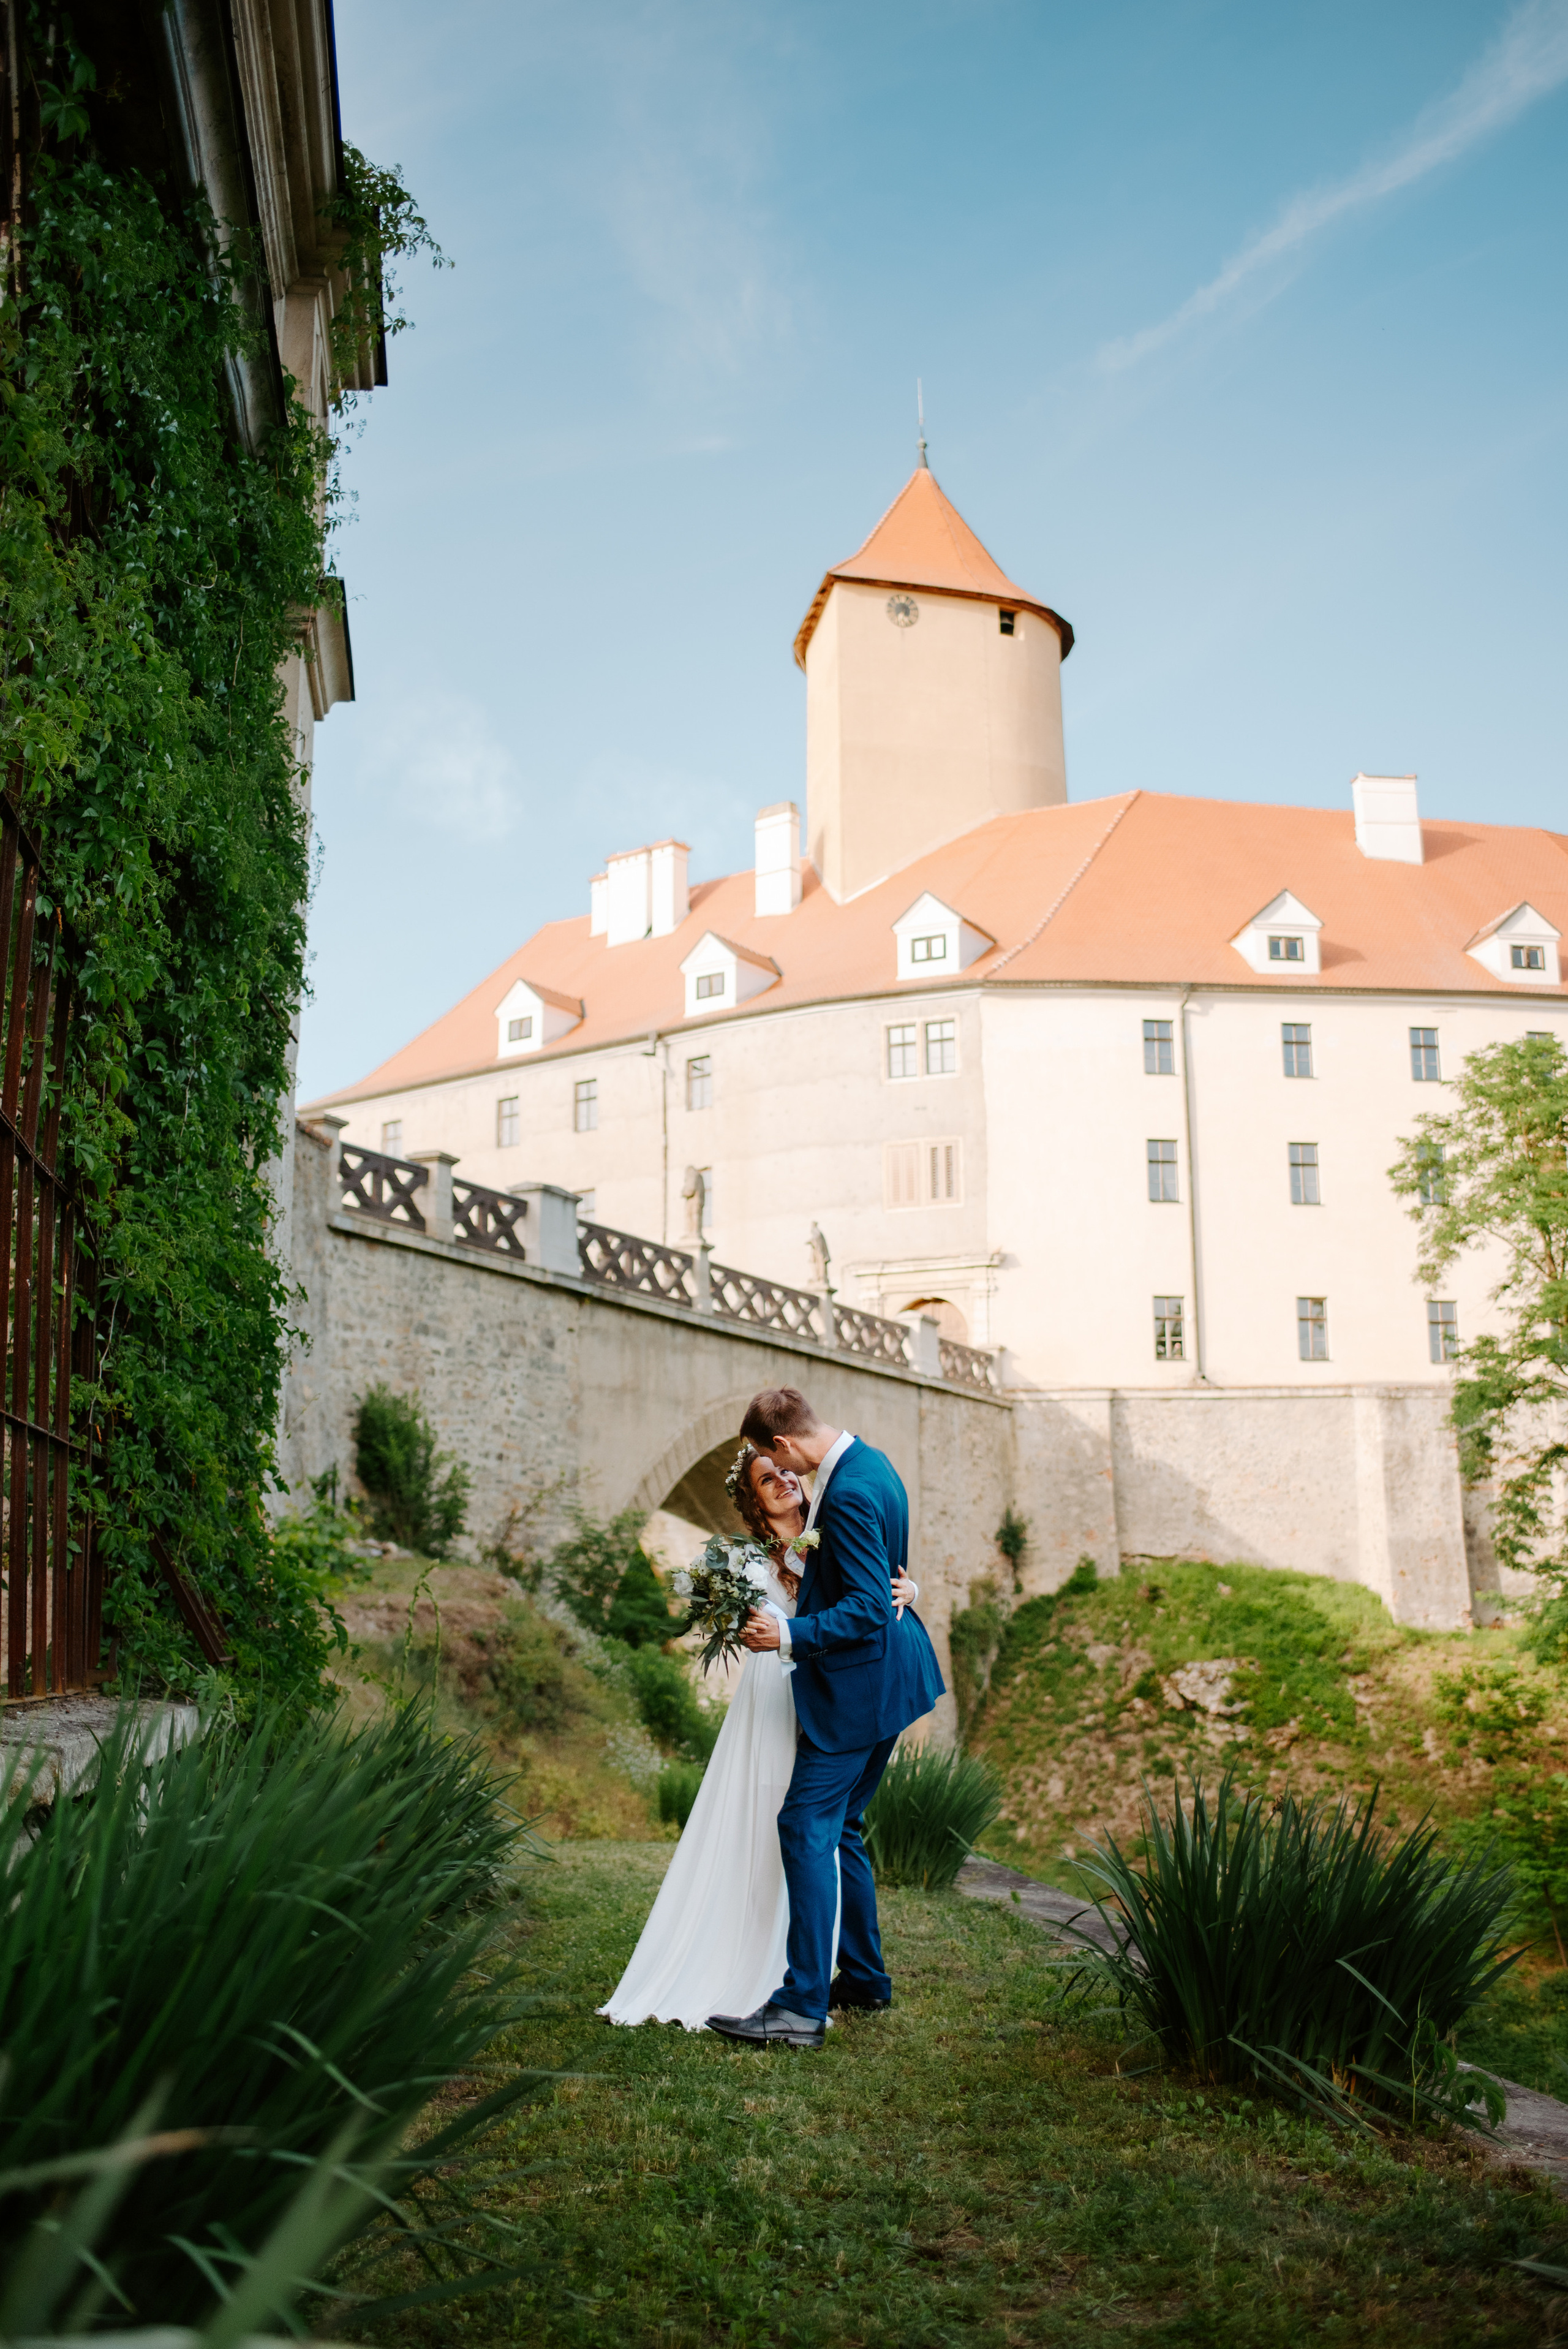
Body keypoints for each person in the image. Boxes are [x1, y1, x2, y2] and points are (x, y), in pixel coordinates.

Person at [599, 1445, 919, 2030]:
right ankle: (772, 1963)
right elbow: (761, 1627)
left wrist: (910, 1591)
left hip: (841, 1696)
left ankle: (854, 1976)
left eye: (786, 1472)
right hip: (777, 1698)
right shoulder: (743, 1563)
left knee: (834, 1829)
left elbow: (871, 1594)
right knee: (792, 1823)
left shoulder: (834, 1523)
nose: (782, 1481)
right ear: (752, 1497)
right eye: (767, 1479)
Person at [707, 1388, 946, 2052]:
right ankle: (865, 1979)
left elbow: (869, 1604)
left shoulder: (844, 1494)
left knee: (803, 1824)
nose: (778, 1473)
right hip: (892, 1679)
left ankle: (800, 2008)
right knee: (843, 1828)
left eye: (768, 1457)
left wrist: (785, 1637)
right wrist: (906, 1588)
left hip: (858, 1690)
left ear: (782, 1445)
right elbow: (880, 1578)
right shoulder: (873, 1463)